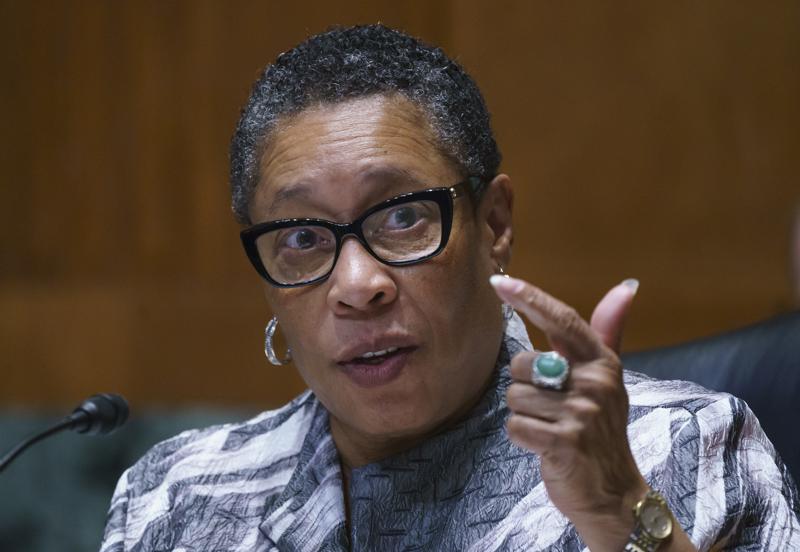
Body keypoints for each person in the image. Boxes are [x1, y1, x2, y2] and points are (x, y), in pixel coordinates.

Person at [99, 25, 800, 551]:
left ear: (493, 224)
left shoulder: (685, 448)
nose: (358, 284)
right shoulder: (176, 498)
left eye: (403, 216)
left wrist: (622, 511)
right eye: (303, 238)